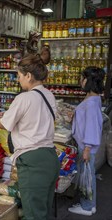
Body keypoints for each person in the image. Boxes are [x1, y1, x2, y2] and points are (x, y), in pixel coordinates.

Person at [0, 53, 60, 220]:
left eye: (19, 76)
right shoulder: (48, 95)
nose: (18, 80)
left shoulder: (24, 97)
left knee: (33, 215)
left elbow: (5, 125)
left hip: (33, 162)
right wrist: (7, 115)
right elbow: (30, 119)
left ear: (28, 76)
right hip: (50, 157)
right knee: (43, 211)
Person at [68, 67, 105, 216]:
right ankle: (90, 205)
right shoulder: (94, 98)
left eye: (82, 78)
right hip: (86, 146)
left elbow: (91, 126)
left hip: (86, 147)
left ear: (88, 81)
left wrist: (87, 149)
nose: (80, 80)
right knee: (88, 176)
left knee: (86, 177)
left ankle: (86, 207)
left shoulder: (91, 102)